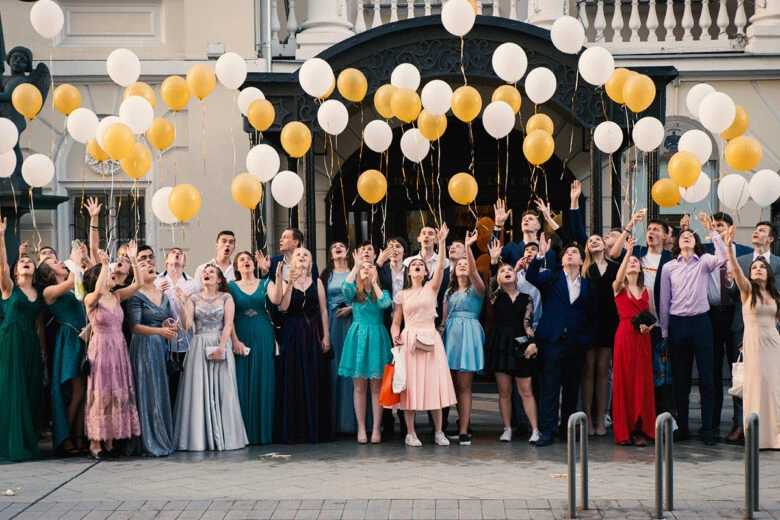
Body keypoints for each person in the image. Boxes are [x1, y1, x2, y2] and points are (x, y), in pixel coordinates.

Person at [659, 212, 727, 446]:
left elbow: (723, 257)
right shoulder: (669, 267)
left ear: (696, 243)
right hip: (677, 324)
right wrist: (666, 333)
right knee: (681, 380)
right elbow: (664, 301)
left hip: (701, 323)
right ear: (677, 243)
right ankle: (683, 427)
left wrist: (712, 232)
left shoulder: (705, 261)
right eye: (683, 235)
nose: (686, 237)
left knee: (707, 378)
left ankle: (707, 428)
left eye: (690, 236)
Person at [527, 237, 598, 447]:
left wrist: (586, 341)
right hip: (552, 341)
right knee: (550, 387)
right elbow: (531, 276)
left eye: (574, 252)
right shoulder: (552, 277)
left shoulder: (588, 286)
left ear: (581, 259)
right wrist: (540, 255)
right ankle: (547, 430)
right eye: (567, 252)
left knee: (571, 387)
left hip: (576, 343)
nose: (570, 254)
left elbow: (593, 318)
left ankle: (566, 429)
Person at [391, 223, 457, 447]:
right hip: (409, 339)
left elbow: (440, 268)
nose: (418, 266)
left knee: (434, 385)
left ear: (426, 272)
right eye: (414, 265)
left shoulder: (432, 288)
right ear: (408, 272)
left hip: (430, 338)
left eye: (421, 265)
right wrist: (395, 336)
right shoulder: (401, 294)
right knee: (410, 388)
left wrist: (442, 242)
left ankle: (439, 431)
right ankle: (410, 432)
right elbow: (396, 322)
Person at [175, 265, 248, 451]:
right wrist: (182, 303)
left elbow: (228, 324)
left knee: (224, 389)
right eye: (205, 272)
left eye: (211, 272)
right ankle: (199, 439)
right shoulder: (193, 298)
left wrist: (222, 348)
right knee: (198, 389)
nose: (206, 274)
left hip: (219, 341)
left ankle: (226, 437)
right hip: (199, 345)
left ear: (219, 279)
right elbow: (187, 325)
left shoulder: (226, 298)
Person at [269, 248, 334, 443]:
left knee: (314, 377)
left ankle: (316, 428)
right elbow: (284, 306)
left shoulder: (318, 282)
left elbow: (323, 311)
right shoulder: (286, 280)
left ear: (311, 262)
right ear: (293, 261)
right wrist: (288, 282)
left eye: (306, 255)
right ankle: (295, 429)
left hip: (313, 332)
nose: (302, 257)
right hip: (292, 332)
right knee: (293, 377)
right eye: (298, 255)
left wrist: (326, 336)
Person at [82, 250, 142, 460]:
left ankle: (110, 440)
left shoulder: (116, 296)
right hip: (101, 349)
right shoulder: (91, 299)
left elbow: (138, 285)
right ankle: (95, 442)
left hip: (118, 348)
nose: (112, 276)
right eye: (107, 274)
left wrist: (134, 260)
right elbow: (98, 291)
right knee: (101, 394)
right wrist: (105, 264)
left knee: (117, 393)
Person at [724, 225, 780, 450]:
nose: (757, 269)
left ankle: (775, 436)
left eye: (761, 267)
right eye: (754, 267)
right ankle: (757, 437)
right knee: (756, 388)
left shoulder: (776, 295)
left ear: (769, 273)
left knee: (774, 389)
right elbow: (737, 271)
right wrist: (728, 247)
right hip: (753, 345)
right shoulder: (747, 291)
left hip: (773, 344)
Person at [484, 238, 539, 444]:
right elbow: (490, 280)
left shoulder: (526, 298)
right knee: (504, 390)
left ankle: (535, 429)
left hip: (520, 341)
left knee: (526, 389)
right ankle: (507, 428)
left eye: (510, 270)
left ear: (517, 275)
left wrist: (533, 342)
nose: (506, 271)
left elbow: (528, 323)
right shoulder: (495, 296)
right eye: (502, 271)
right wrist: (493, 261)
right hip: (500, 343)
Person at [126, 247, 178, 457]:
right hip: (144, 346)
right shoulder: (135, 295)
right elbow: (135, 327)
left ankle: (161, 435)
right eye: (143, 264)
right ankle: (147, 439)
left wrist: (168, 324)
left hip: (160, 347)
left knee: (160, 390)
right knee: (147, 390)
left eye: (150, 263)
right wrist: (161, 330)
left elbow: (165, 318)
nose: (149, 265)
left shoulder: (163, 296)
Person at [0, 218, 44, 461]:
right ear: (17, 270)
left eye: (30, 262)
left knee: (28, 389)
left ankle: (28, 439)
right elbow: (2, 265)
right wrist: (1, 237)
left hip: (30, 342)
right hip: (10, 340)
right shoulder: (9, 288)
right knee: (11, 388)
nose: (26, 263)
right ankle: (9, 441)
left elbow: (39, 324)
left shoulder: (39, 293)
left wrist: (43, 351)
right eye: (23, 262)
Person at [37, 246, 88, 456]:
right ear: (49, 273)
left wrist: (80, 259)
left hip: (83, 338)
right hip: (69, 339)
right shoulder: (49, 291)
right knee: (75, 391)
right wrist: (75, 261)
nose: (61, 263)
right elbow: (71, 283)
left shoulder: (72, 282)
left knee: (82, 392)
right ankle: (63, 436)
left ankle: (77, 436)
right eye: (55, 264)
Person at [338, 252, 393, 444]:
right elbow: (344, 286)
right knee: (359, 386)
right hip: (358, 337)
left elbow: (386, 303)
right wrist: (356, 266)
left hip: (377, 337)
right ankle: (361, 428)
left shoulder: (381, 293)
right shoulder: (354, 292)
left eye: (370, 267)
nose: (366, 269)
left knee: (376, 387)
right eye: (364, 267)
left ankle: (376, 428)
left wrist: (375, 282)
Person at [441, 230, 485, 446]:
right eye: (459, 265)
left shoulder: (477, 289)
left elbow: (475, 271)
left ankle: (464, 430)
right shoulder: (448, 292)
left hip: (468, 335)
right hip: (450, 336)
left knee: (464, 386)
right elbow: (443, 319)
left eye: (465, 265)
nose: (462, 267)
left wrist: (468, 248)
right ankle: (445, 427)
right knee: (450, 385)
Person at [611, 236, 656, 446]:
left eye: (636, 261)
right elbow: (618, 280)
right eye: (629, 261)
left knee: (642, 382)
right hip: (624, 337)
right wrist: (628, 252)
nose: (632, 263)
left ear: (641, 268)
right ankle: (625, 429)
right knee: (625, 381)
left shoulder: (647, 290)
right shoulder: (619, 287)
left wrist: (650, 326)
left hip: (643, 338)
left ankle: (641, 428)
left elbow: (653, 316)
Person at [228, 251, 276, 445]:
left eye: (249, 259)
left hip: (263, 332)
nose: (246, 261)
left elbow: (277, 300)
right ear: (236, 267)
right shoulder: (230, 287)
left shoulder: (266, 283)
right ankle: (243, 432)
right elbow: (227, 317)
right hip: (240, 333)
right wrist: (235, 340)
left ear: (254, 264)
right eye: (242, 260)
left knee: (264, 377)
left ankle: (263, 432)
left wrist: (276, 276)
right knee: (241, 379)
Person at [155, 248, 199, 408]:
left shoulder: (193, 284)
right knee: (163, 383)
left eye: (180, 253)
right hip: (161, 339)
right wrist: (157, 293)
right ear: (166, 260)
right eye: (173, 252)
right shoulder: (156, 281)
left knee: (182, 384)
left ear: (185, 262)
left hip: (184, 341)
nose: (177, 254)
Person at [321, 241, 357, 433]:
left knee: (353, 369)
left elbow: (365, 296)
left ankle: (354, 421)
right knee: (334, 368)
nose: (337, 247)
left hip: (353, 322)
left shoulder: (356, 271)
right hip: (333, 323)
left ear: (347, 251)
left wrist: (352, 308)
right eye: (333, 246)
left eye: (341, 245)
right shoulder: (326, 274)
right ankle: (334, 421)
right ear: (330, 254)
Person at [377, 237, 408, 439]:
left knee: (405, 370)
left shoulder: (411, 269)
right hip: (385, 323)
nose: (394, 249)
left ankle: (406, 419)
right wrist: (378, 262)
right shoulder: (381, 270)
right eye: (390, 246)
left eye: (397, 246)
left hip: (407, 324)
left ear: (405, 250)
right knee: (387, 369)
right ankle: (387, 419)